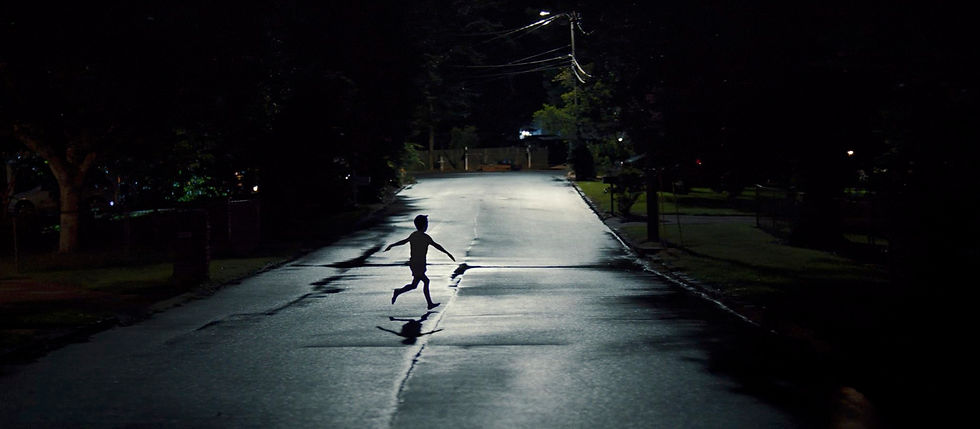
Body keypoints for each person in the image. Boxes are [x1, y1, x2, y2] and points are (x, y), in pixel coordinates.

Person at [384, 214, 455, 310]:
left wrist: (392, 245)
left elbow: (404, 241)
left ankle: (398, 292)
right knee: (426, 281)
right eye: (427, 224)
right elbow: (436, 245)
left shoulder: (414, 235)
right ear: (424, 225)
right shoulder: (425, 237)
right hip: (417, 264)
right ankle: (429, 304)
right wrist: (447, 253)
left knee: (414, 285)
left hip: (416, 263)